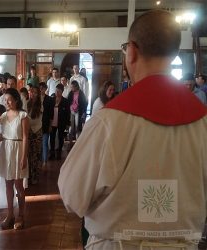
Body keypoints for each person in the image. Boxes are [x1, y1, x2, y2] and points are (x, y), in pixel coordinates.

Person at [58, 10, 207, 249]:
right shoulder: (202, 122)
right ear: (175, 53)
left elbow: (73, 196)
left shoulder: (108, 121)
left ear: (132, 51)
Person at [0, 88, 29, 230]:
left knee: (19, 185)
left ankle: (20, 215)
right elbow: (2, 135)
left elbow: (26, 137)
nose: (7, 102)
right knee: (8, 185)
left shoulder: (23, 115)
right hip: (6, 150)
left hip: (18, 149)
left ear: (16, 100)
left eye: (9, 100)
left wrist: (23, 157)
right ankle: (10, 215)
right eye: (5, 100)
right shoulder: (3, 115)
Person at [49, 84, 70, 160]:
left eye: (59, 91)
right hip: (52, 121)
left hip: (61, 121)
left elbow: (68, 113)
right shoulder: (51, 99)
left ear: (62, 92)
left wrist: (68, 123)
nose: (57, 92)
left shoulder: (65, 101)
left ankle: (59, 153)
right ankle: (52, 153)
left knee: (61, 137)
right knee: (52, 137)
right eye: (56, 90)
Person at [27, 86, 43, 184]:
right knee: (28, 154)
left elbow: (35, 120)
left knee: (36, 155)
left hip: (37, 131)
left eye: (35, 93)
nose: (33, 94)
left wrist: (26, 120)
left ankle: (35, 176)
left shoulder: (40, 105)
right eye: (31, 92)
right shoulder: (27, 103)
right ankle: (28, 176)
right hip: (28, 131)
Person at [67, 80, 87, 144]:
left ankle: (77, 143)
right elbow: (68, 102)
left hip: (78, 111)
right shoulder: (70, 93)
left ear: (76, 86)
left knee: (77, 127)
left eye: (73, 87)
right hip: (71, 111)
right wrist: (70, 108)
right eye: (71, 87)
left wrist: (83, 112)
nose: (71, 88)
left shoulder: (81, 93)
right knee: (71, 127)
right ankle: (70, 142)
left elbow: (84, 104)